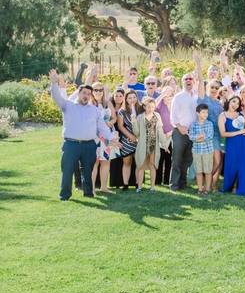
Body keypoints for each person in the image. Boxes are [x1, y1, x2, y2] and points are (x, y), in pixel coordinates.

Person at [50, 69, 116, 200]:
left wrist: (110, 138)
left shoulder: (94, 110)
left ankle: (88, 193)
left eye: (89, 94)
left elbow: (102, 127)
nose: (86, 95)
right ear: (78, 93)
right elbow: (56, 97)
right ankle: (65, 195)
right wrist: (53, 83)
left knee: (88, 171)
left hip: (89, 145)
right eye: (84, 93)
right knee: (67, 170)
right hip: (71, 145)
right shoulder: (67, 105)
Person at [169, 54, 202, 191]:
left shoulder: (196, 96)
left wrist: (198, 64)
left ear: (193, 81)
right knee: (177, 159)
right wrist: (179, 126)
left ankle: (183, 183)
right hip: (180, 131)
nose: (188, 80)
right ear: (182, 82)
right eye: (186, 79)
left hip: (193, 132)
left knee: (188, 160)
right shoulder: (178, 97)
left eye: (190, 78)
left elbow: (201, 80)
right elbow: (173, 115)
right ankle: (174, 184)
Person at [219, 96, 245, 196]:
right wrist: (238, 132)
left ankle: (242, 187)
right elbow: (223, 133)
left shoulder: (241, 114)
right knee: (233, 164)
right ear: (229, 101)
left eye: (238, 103)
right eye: (233, 101)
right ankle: (232, 186)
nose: (235, 104)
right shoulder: (222, 115)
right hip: (232, 143)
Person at [132, 96, 162, 192]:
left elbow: (160, 130)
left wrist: (164, 144)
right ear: (144, 107)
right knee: (141, 165)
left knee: (152, 165)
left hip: (153, 145)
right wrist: (133, 121)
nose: (151, 109)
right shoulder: (140, 117)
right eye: (148, 107)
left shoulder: (157, 116)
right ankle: (139, 187)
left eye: (153, 107)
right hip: (143, 145)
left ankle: (152, 187)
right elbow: (137, 133)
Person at [189, 104, 217, 195]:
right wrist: (199, 137)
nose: (205, 114)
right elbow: (191, 137)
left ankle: (207, 189)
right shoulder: (193, 125)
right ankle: (200, 189)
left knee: (208, 171)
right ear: (198, 113)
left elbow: (209, 136)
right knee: (199, 171)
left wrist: (198, 138)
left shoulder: (209, 124)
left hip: (207, 151)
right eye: (203, 112)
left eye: (207, 112)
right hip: (196, 151)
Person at [116, 89, 140, 189]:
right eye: (130, 98)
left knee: (139, 162)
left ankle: (138, 183)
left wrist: (138, 137)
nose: (132, 99)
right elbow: (120, 126)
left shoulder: (141, 109)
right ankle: (125, 184)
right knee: (127, 162)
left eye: (134, 97)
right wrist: (130, 136)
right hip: (127, 139)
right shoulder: (122, 111)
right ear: (126, 99)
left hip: (140, 140)